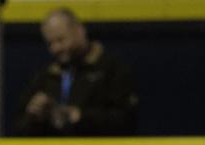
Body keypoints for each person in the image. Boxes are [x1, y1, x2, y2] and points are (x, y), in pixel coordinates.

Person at [14, 7, 137, 137]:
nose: (56, 48)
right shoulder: (46, 76)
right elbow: (19, 128)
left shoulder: (111, 69)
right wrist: (33, 117)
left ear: (80, 31)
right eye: (50, 43)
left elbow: (127, 121)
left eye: (61, 40)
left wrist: (80, 117)